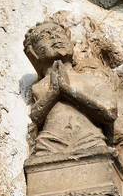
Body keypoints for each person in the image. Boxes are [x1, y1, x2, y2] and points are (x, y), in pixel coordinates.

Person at [23, 18, 116, 162]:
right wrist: (54, 93)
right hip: (49, 145)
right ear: (33, 53)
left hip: (89, 140)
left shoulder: (93, 80)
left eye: (59, 32)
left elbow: (109, 114)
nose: (55, 37)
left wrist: (67, 91)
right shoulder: (39, 87)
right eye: (44, 36)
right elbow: (35, 116)